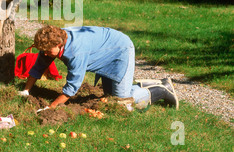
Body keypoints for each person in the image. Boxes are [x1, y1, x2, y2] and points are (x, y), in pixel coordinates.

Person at [18, 25, 179, 110]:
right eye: (42, 51)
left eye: (47, 51)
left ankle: (162, 90)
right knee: (109, 95)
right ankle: (148, 84)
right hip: (106, 50)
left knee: (121, 102)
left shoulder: (76, 52)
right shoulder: (51, 40)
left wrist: (51, 107)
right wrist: (26, 91)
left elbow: (71, 88)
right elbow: (38, 66)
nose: (44, 54)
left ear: (59, 44)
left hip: (120, 50)